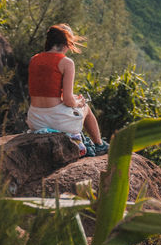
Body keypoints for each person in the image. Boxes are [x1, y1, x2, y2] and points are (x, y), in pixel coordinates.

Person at [26, 23, 109, 155]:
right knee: (85, 107)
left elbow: (47, 92)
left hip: (35, 120)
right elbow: (68, 101)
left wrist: (72, 100)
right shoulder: (66, 62)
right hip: (57, 121)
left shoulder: (34, 59)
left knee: (75, 102)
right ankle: (99, 144)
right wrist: (79, 103)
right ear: (67, 43)